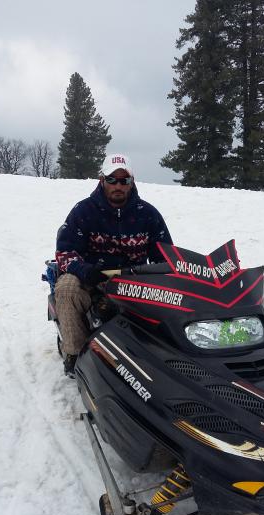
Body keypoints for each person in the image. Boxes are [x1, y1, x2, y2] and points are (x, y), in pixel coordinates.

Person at [55, 153, 173, 376]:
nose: (118, 185)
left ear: (131, 182)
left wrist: (168, 274)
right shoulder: (83, 211)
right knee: (66, 289)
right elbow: (65, 252)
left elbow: (165, 254)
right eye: (112, 179)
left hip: (133, 280)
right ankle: (75, 353)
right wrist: (85, 271)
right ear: (102, 180)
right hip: (92, 278)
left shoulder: (148, 214)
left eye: (124, 180)